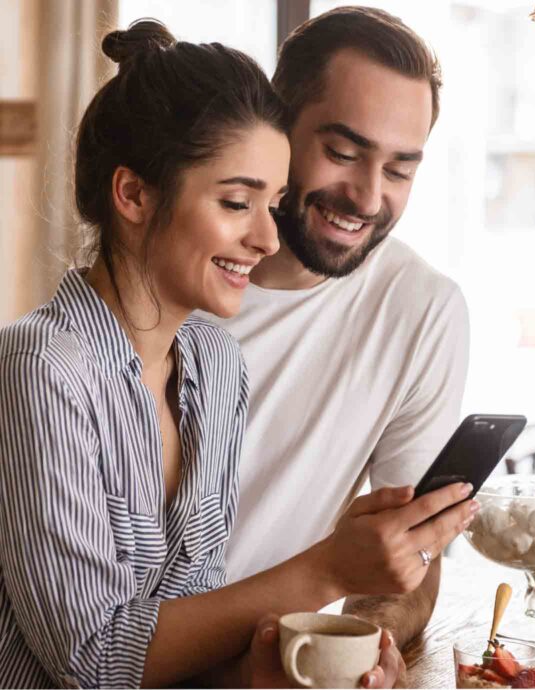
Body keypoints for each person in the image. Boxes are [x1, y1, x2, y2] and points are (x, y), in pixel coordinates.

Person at [0, 17, 474, 690]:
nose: (264, 237)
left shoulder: (215, 365)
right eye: (235, 202)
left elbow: (190, 626)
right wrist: (331, 568)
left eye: (270, 203)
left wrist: (279, 667)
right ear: (133, 194)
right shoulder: (42, 369)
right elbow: (94, 660)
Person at [197, 5, 472, 685]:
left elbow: (407, 565)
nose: (367, 197)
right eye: (343, 153)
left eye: (399, 170)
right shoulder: (176, 280)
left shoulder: (420, 309)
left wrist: (360, 648)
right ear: (275, 123)